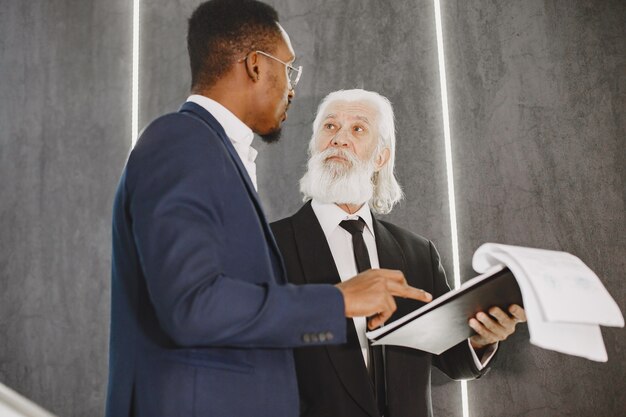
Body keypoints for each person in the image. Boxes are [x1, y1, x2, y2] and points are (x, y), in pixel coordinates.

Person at [105, 2, 432, 417]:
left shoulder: (214, 152)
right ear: (256, 65)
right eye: (289, 68)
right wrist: (337, 301)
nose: (292, 88)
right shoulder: (181, 141)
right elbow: (192, 306)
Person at [271, 89, 527, 417]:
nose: (339, 139)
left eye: (358, 129)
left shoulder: (419, 253)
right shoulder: (268, 245)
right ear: (313, 146)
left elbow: (452, 360)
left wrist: (482, 340)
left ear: (380, 158)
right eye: (330, 127)